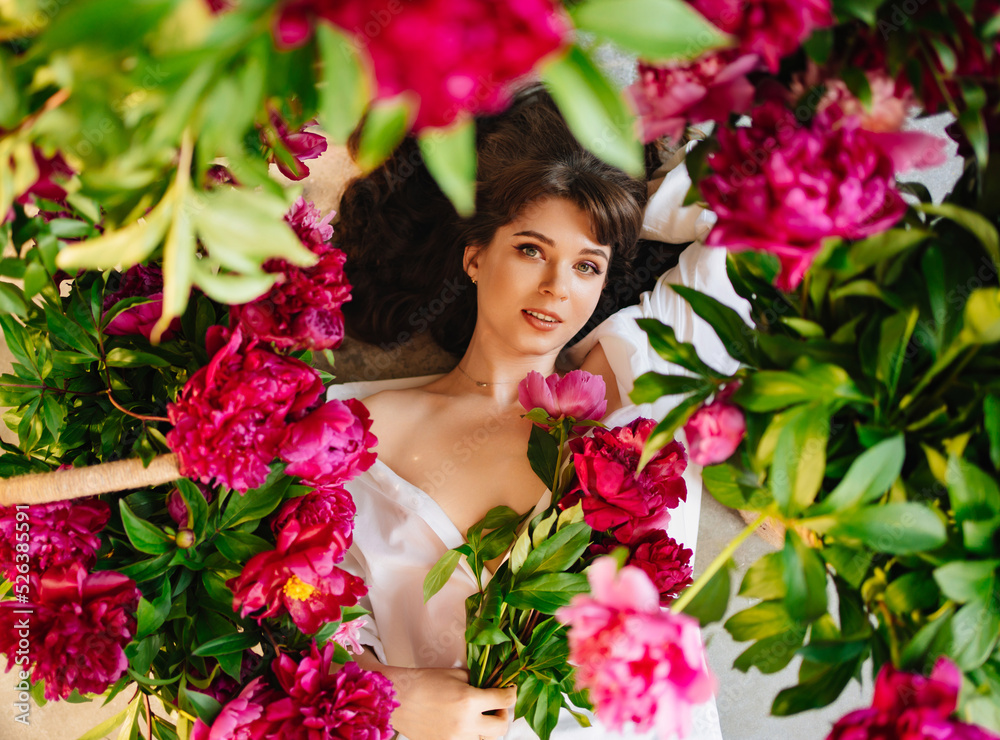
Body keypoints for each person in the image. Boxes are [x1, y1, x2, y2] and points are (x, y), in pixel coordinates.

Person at [328, 86, 745, 740]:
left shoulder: (643, 387)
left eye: (586, 264)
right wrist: (390, 695)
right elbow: (294, 632)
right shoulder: (357, 437)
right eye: (531, 249)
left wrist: (634, 203)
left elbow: (758, 216)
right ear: (474, 256)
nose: (557, 287)